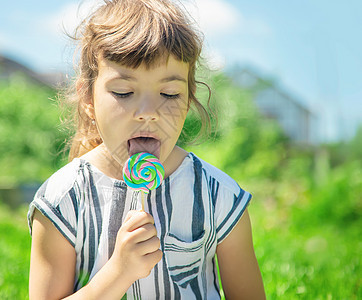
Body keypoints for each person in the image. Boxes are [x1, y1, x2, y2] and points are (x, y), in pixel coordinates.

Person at [27, 0, 265, 299]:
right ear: (88, 98)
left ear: (189, 99)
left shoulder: (218, 196)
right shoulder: (62, 200)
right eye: (124, 92)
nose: (148, 112)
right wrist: (119, 273)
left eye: (169, 93)